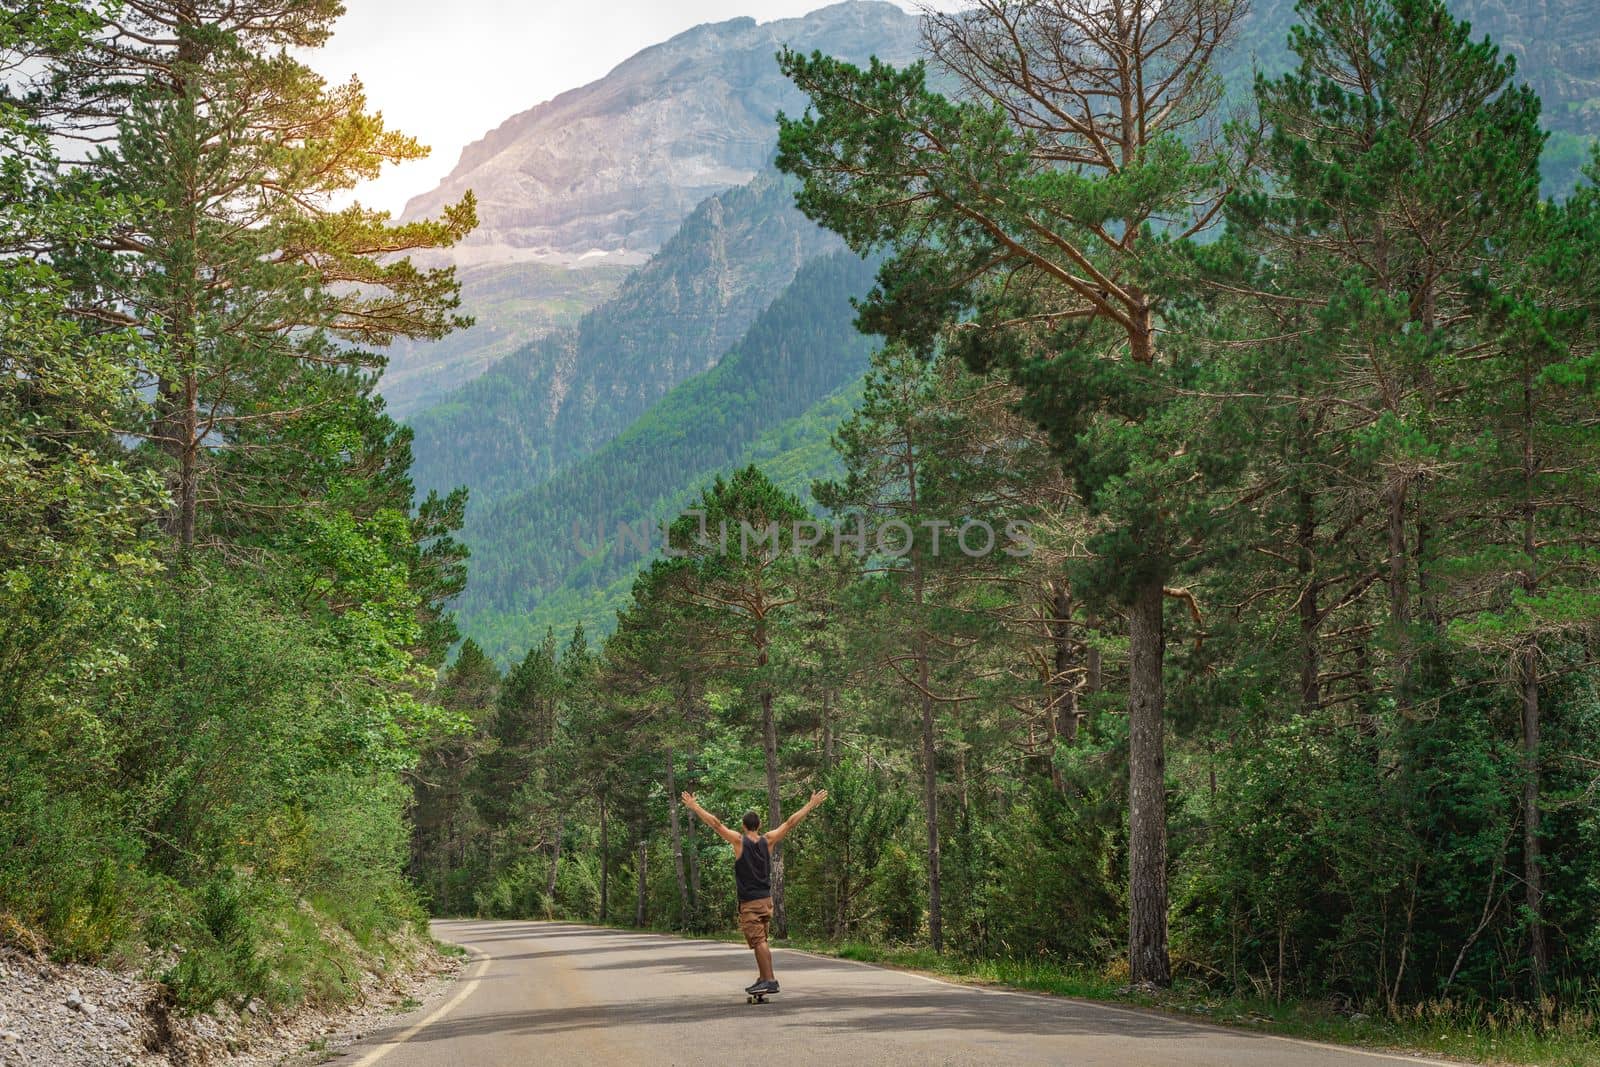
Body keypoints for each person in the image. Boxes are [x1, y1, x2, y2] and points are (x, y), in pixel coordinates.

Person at [680, 789, 828, 995]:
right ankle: (762, 977)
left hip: (750, 902)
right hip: (767, 901)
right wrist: (811, 804)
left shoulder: (739, 842)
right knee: (762, 941)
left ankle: (770, 979)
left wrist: (695, 807)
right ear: (759, 825)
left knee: (758, 942)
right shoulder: (768, 840)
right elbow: (790, 823)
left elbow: (716, 824)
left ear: (743, 825)